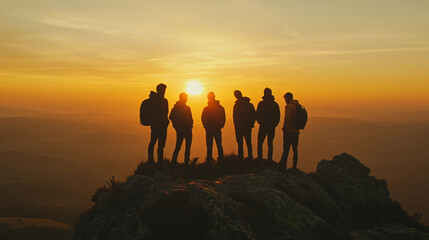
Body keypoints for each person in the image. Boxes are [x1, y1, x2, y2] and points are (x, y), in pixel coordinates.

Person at [256, 88, 280, 161]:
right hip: (271, 127)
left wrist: (260, 122)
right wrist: (274, 124)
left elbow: (257, 114)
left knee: (260, 142)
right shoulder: (274, 104)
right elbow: (278, 115)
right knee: (270, 143)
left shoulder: (261, 103)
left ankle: (260, 157)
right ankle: (269, 158)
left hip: (263, 126)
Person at [147, 83, 169, 163]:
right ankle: (159, 162)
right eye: (164, 90)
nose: (164, 92)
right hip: (161, 126)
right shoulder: (164, 101)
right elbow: (166, 113)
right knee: (160, 145)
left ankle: (151, 160)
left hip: (155, 125)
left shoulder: (152, 101)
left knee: (153, 142)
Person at [169, 92, 193, 165]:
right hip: (182, 131)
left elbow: (190, 118)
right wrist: (177, 127)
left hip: (187, 130)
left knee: (184, 147)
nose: (186, 99)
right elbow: (171, 117)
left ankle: (182, 163)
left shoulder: (186, 108)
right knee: (179, 147)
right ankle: (175, 162)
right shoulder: (177, 108)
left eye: (186, 98)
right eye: (185, 98)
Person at [201, 92, 225, 162]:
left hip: (213, 129)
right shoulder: (220, 107)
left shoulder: (207, 108)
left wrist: (206, 126)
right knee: (216, 144)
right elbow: (203, 118)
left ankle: (211, 158)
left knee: (212, 145)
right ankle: (218, 158)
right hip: (213, 129)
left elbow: (203, 118)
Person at [279, 92, 300, 169]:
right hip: (296, 131)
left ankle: (283, 165)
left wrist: (284, 128)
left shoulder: (288, 106)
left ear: (287, 98)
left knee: (286, 149)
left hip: (289, 131)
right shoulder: (297, 105)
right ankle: (294, 166)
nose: (284, 100)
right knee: (295, 149)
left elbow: (288, 119)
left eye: (285, 98)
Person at [233, 90, 256, 160]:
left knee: (241, 143)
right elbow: (253, 115)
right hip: (246, 127)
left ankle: (241, 157)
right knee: (248, 142)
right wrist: (251, 124)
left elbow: (235, 117)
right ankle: (249, 156)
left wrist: (236, 126)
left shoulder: (236, 105)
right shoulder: (249, 104)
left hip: (241, 127)